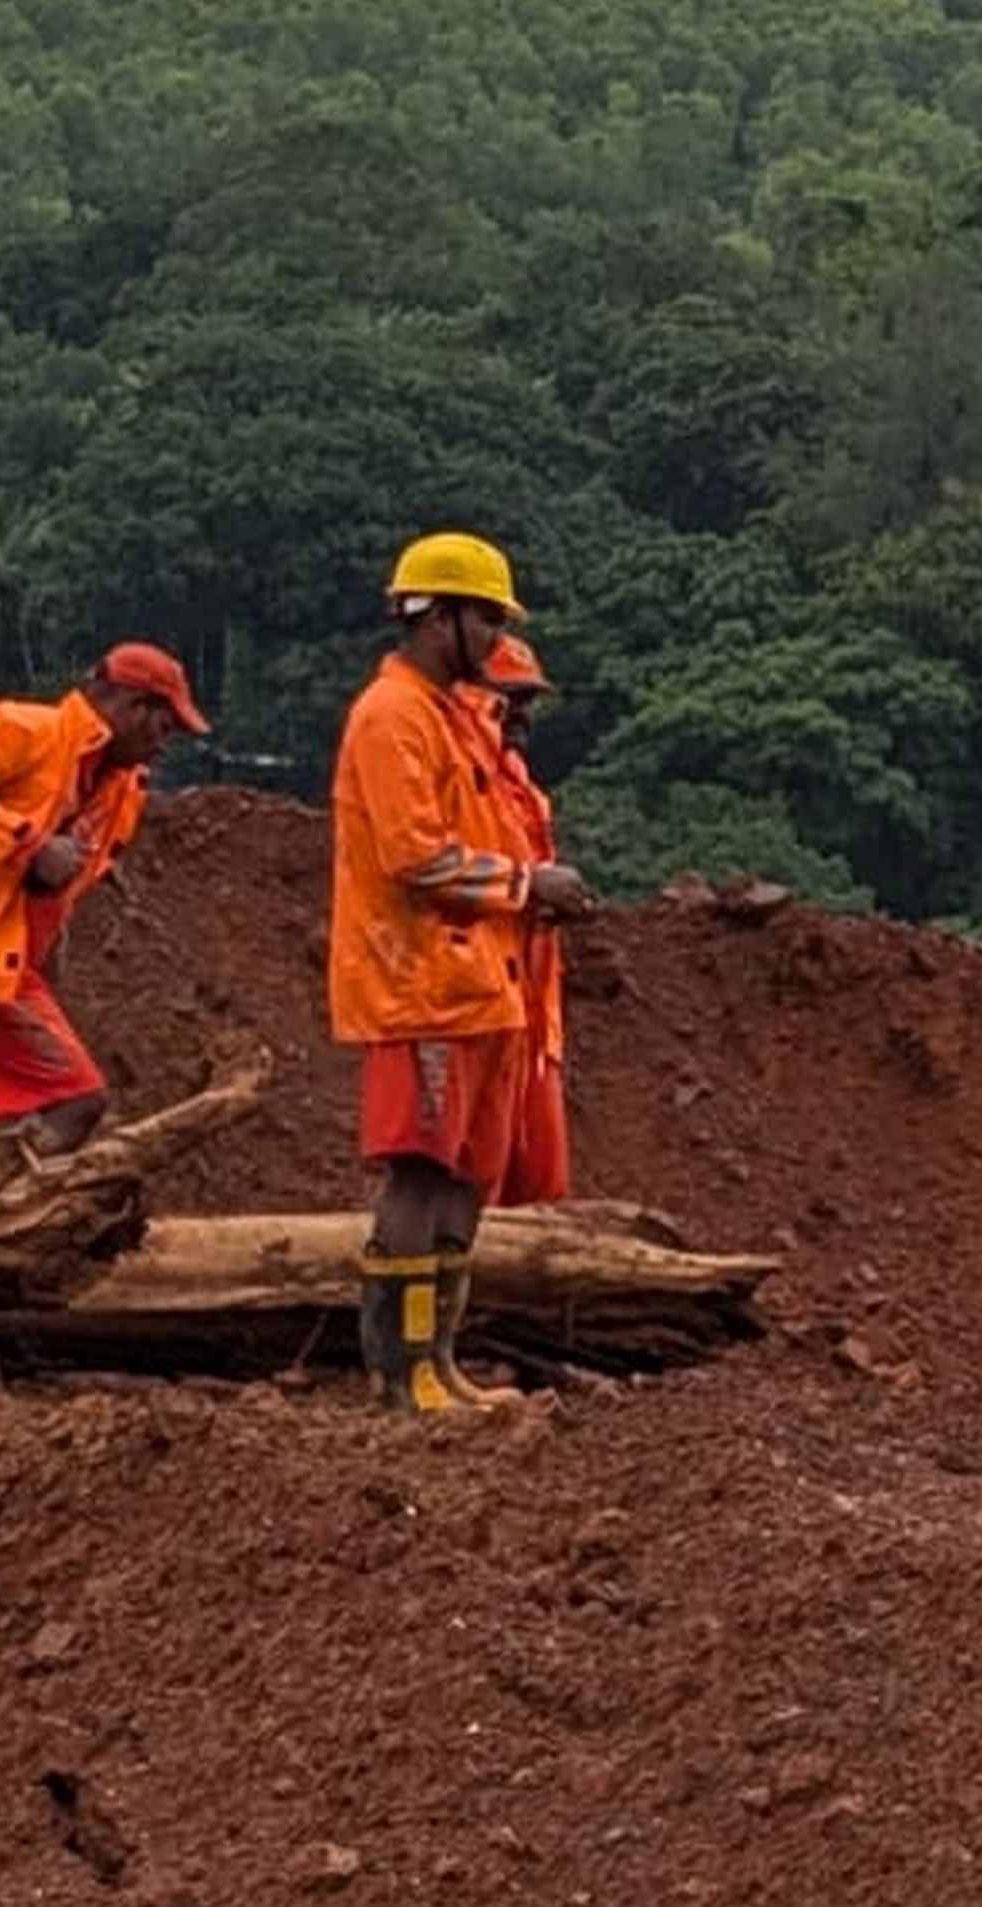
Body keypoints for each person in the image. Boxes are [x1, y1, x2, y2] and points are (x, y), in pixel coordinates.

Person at [334, 535, 591, 1414]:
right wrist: (526, 884)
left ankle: (440, 1361)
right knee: (417, 1171)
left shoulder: (447, 717)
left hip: (480, 982)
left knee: (465, 1177)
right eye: (484, 617)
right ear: (434, 613)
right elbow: (412, 854)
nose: (493, 637)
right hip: (420, 984)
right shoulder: (391, 715)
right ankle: (404, 1371)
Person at [0, 643, 208, 1208]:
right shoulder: (28, 730)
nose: (164, 738)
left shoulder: (121, 791)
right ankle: (5, 1215)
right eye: (163, 721)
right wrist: (24, 845)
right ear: (128, 705)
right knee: (78, 1100)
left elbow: (62, 891)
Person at [478, 635, 573, 1212]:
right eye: (510, 699)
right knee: (469, 1184)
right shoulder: (462, 778)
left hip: (533, 1010)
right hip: (477, 1000)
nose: (522, 717)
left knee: (539, 1179)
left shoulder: (523, 791)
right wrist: (527, 886)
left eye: (528, 701)